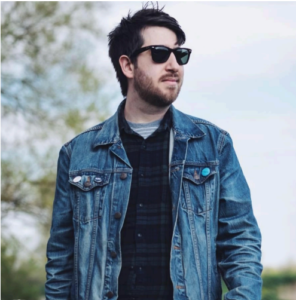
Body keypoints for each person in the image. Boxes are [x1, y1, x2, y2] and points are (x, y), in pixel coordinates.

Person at [45, 4, 262, 300]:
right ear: (128, 66)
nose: (174, 64)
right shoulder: (78, 153)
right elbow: (61, 260)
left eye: (180, 55)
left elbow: (241, 244)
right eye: (160, 54)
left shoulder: (214, 145)